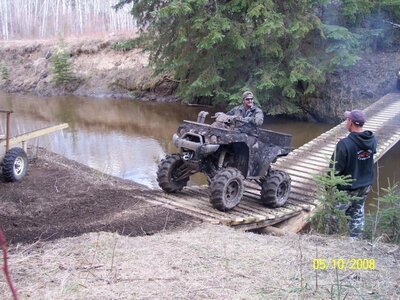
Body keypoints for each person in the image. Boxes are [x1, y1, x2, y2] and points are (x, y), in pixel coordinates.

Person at [330, 109, 377, 238]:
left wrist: (329, 187)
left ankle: (329, 242)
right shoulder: (372, 139)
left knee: (334, 217)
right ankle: (354, 242)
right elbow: (363, 150)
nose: (346, 122)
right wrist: (346, 143)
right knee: (357, 214)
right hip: (365, 186)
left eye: (347, 119)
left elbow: (334, 170)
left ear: (350, 122)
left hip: (347, 189)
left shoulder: (344, 144)